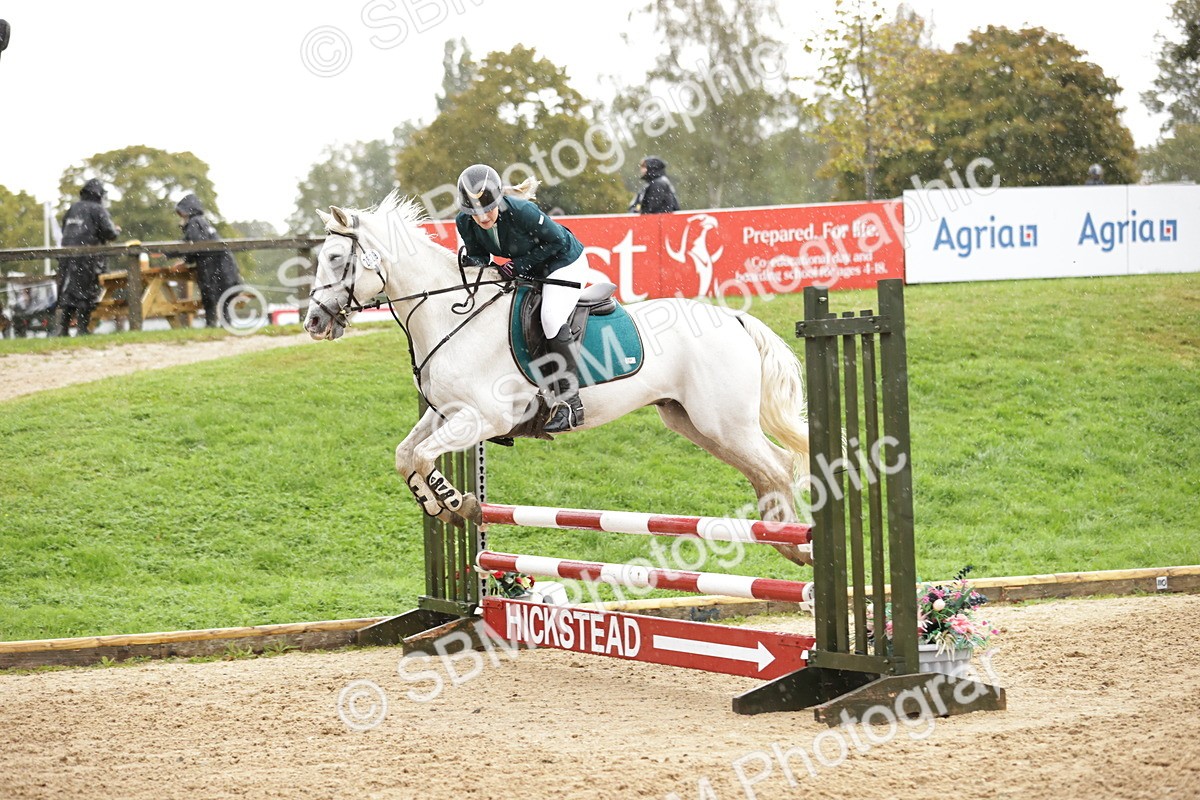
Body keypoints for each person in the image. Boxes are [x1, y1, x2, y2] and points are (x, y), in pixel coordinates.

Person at [455, 163, 588, 433]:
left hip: (564, 262)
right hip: (531, 269)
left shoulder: (522, 211)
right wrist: (472, 263)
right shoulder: (464, 222)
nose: (482, 217)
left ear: (498, 201)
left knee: (550, 319)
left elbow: (558, 242)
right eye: (475, 212)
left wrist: (518, 265)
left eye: (487, 209)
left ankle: (571, 404)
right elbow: (479, 255)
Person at [55, 178, 120, 336]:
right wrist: (117, 230)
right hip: (87, 257)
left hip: (67, 256)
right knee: (86, 293)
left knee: (68, 293)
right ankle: (82, 330)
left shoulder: (73, 208)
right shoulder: (97, 209)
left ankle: (63, 330)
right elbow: (109, 232)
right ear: (99, 195)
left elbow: (64, 230)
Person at [175, 193, 243, 328]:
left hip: (212, 266)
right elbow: (196, 244)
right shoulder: (202, 222)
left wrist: (185, 260)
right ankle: (225, 325)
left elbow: (194, 245)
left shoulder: (194, 223)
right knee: (223, 295)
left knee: (210, 295)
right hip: (223, 265)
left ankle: (211, 324)